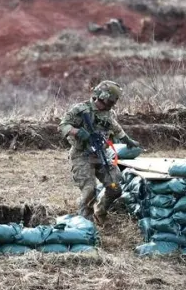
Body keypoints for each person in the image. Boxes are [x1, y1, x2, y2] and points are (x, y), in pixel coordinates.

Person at [58, 80, 141, 224]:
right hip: (81, 155)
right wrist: (77, 132)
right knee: (89, 191)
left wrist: (127, 140)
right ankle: (84, 224)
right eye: (109, 101)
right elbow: (62, 126)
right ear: (102, 96)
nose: (110, 104)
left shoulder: (108, 113)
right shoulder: (81, 110)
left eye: (112, 102)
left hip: (101, 155)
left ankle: (100, 212)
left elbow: (115, 127)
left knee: (115, 187)